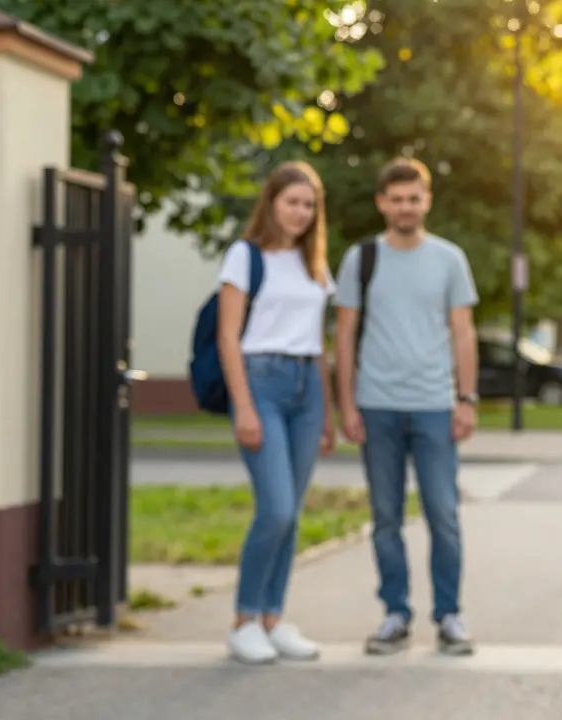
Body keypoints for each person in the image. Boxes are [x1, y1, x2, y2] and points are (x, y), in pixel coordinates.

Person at [333, 157, 480, 657]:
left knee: (443, 514)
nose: (405, 206)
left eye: (413, 198)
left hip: (435, 407)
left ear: (426, 200)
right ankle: (395, 613)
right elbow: (346, 333)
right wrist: (346, 403)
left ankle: (450, 616)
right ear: (382, 203)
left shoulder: (449, 259)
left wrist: (467, 398)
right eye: (396, 199)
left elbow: (463, 332)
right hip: (376, 406)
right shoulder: (361, 258)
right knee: (386, 517)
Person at [216, 160, 337, 665]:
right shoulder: (245, 256)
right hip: (260, 381)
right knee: (277, 508)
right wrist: (243, 404)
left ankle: (274, 618)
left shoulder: (315, 264)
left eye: (309, 205)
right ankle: (244, 619)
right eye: (292, 202)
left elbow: (319, 342)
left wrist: (326, 409)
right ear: (271, 203)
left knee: (294, 512)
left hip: (307, 385)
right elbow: (228, 336)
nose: (301, 213)